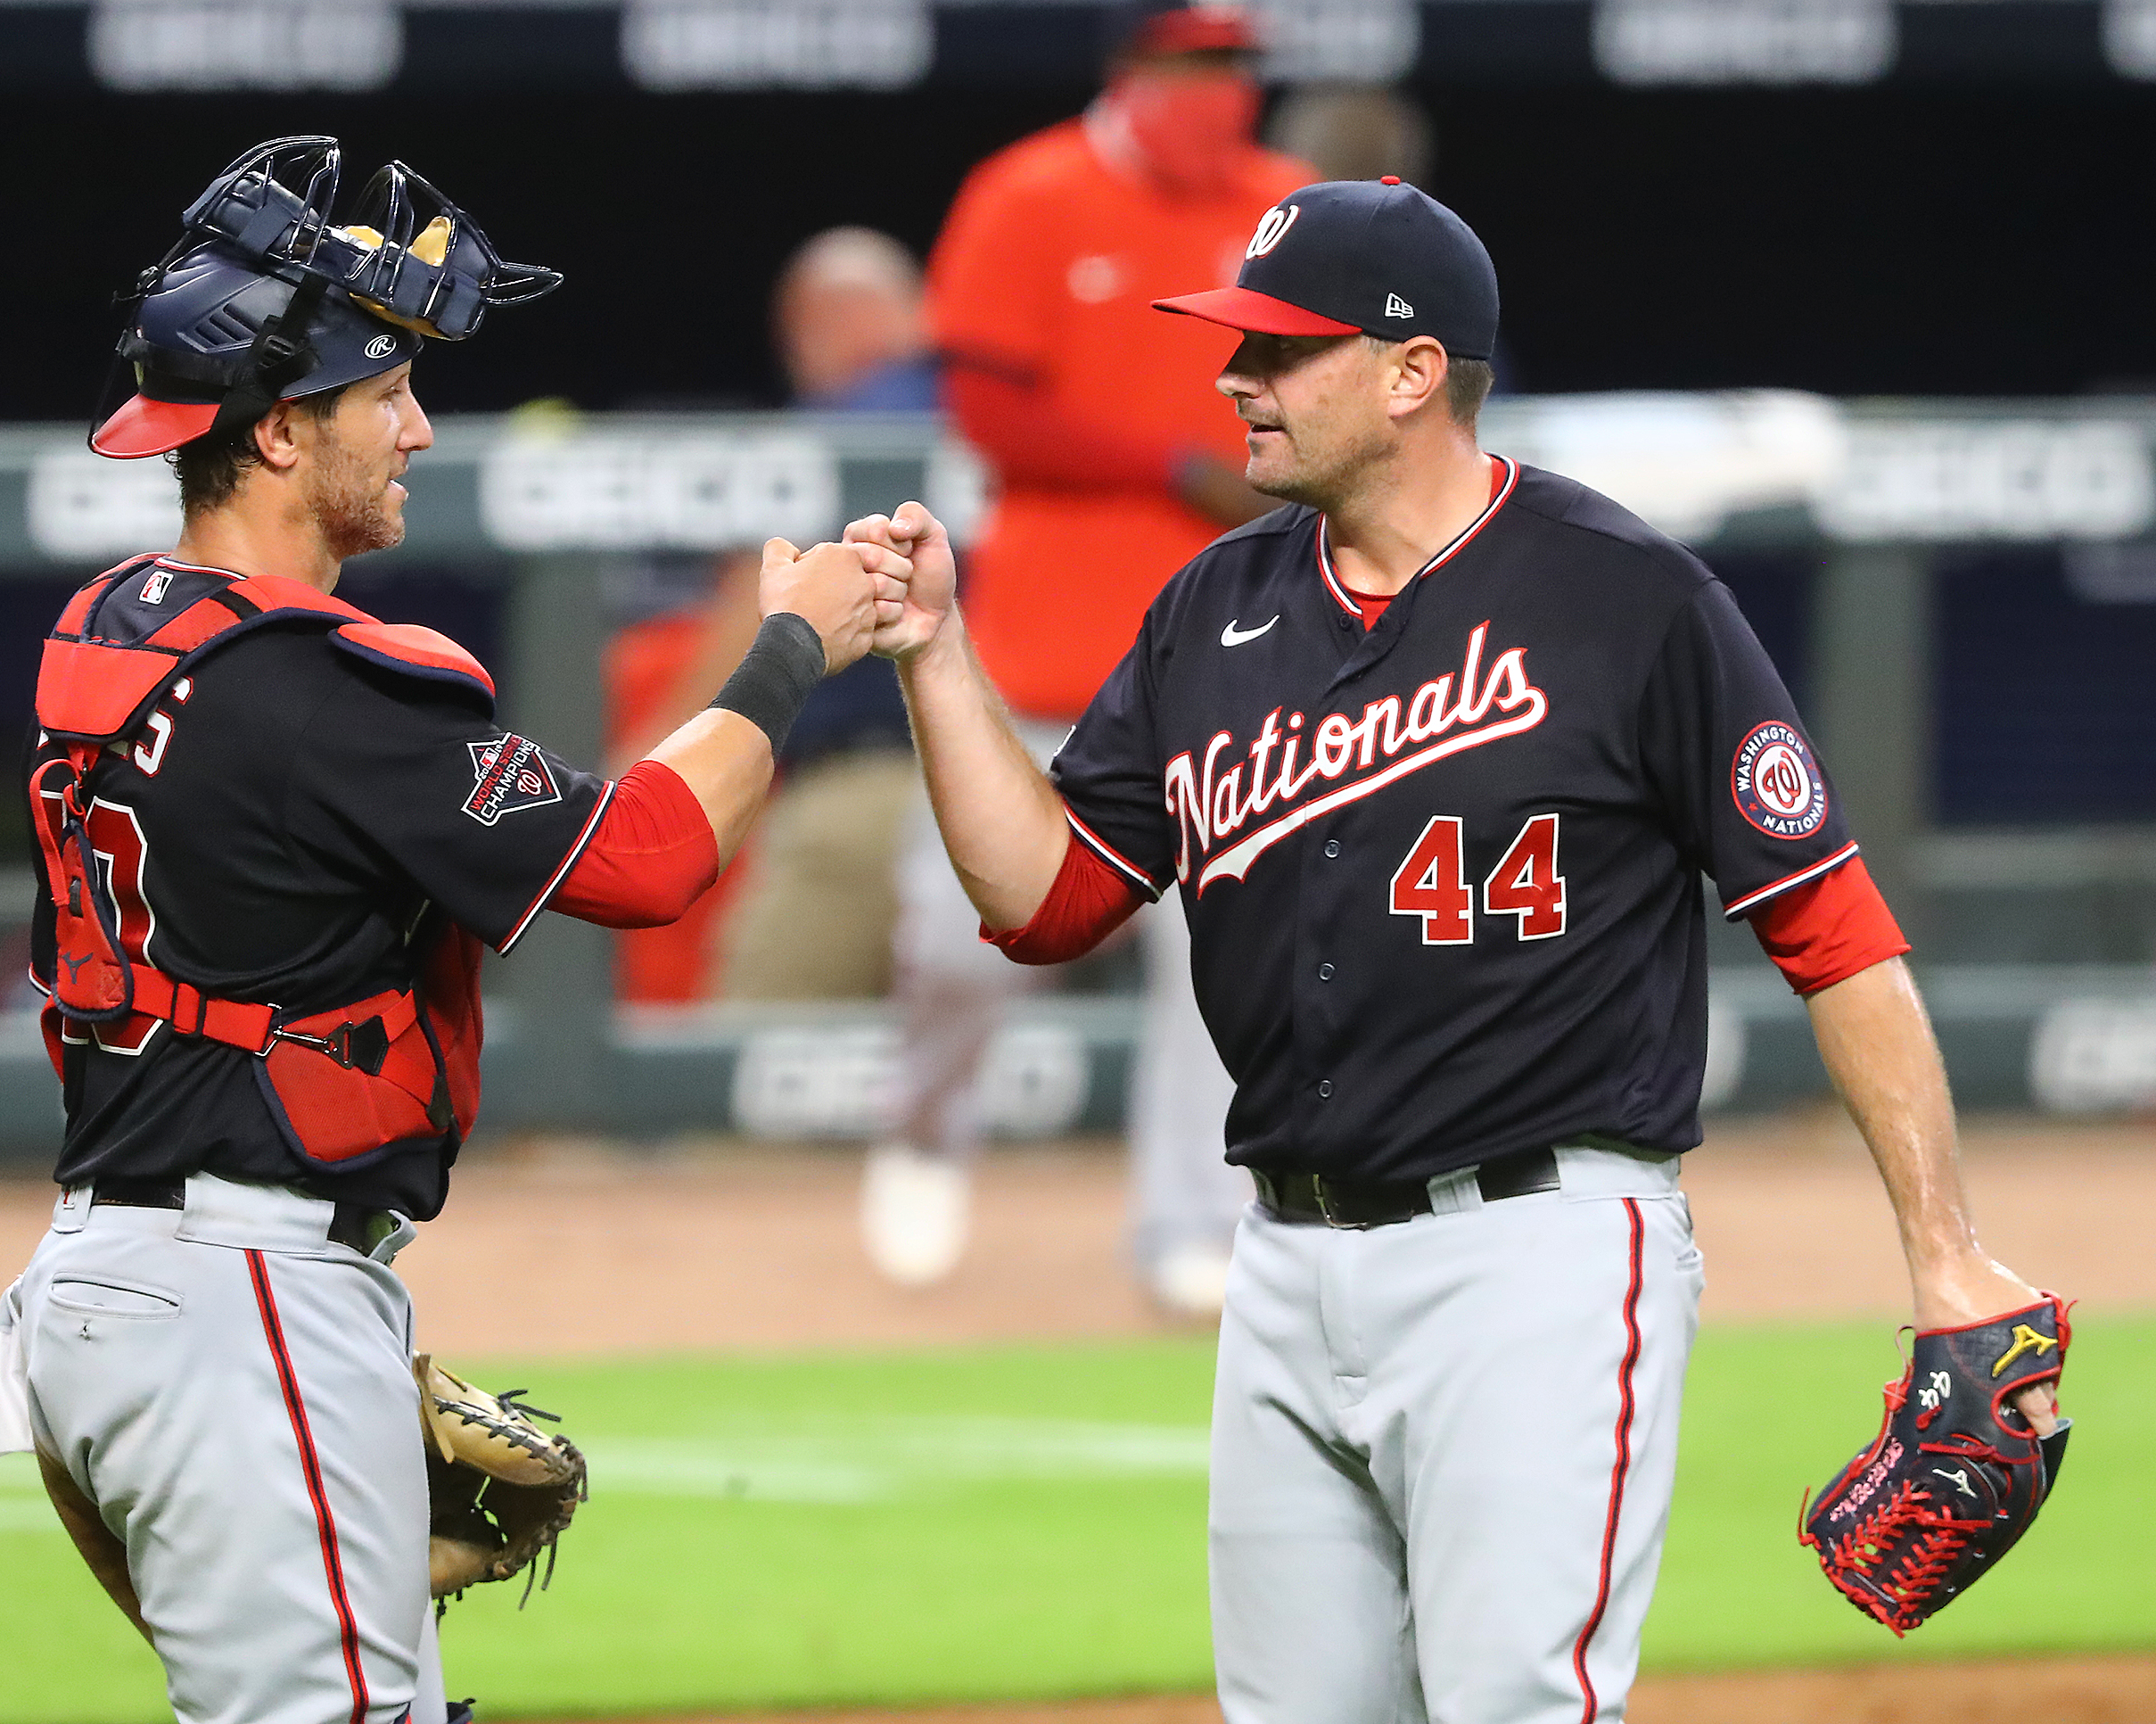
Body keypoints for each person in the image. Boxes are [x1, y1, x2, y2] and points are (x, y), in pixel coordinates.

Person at [851, 177, 2060, 1721]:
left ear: (1413, 372)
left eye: (1284, 351)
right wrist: (937, 659)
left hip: (1541, 1260)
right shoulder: (1209, 605)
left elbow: (1834, 927)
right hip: (1280, 1264)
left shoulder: (1627, 598)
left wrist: (1946, 1251)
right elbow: (1048, 901)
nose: (1237, 379)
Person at [0, 137, 892, 1724]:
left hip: (105, 1291)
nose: (416, 427)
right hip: (238, 1288)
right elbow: (647, 855)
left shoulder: (112, 622)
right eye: (382, 392)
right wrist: (795, 644)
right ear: (276, 427)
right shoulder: (319, 689)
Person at [864, 0, 1313, 1308]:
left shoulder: (1289, 205)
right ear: (1134, 68)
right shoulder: (1031, 192)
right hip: (1044, 649)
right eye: (1196, 65)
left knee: (1214, 948)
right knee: (958, 933)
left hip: (1233, 650)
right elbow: (986, 408)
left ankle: (1192, 1220)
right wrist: (1178, 470)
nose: (1223, 91)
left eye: (1239, 67)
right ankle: (925, 1129)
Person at [618, 227, 934, 1003]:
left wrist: (636, 765)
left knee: (751, 1073)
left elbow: (754, 610)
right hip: (1027, 787)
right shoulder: (1003, 409)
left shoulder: (856, 416)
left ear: (829, 320)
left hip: (872, 794)